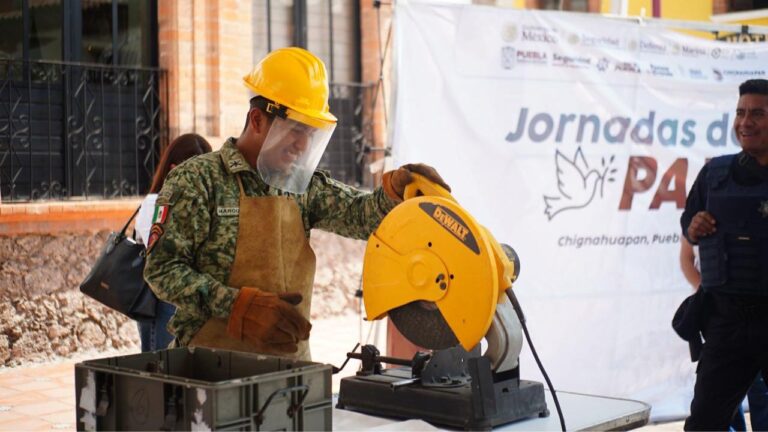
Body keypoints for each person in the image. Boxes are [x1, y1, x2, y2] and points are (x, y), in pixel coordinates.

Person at [143, 47, 449, 361]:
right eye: (295, 130)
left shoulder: (301, 186)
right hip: (209, 365)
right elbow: (162, 270)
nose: (303, 145)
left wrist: (396, 192)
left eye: (311, 134)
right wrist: (236, 306)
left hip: (290, 365)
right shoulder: (198, 180)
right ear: (257, 120)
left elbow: (361, 216)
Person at [682, 79, 768, 431]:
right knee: (704, 423)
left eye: (758, 114)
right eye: (740, 112)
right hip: (727, 321)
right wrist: (696, 227)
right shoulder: (715, 173)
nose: (745, 122)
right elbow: (689, 225)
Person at [679, 237, 768, 431]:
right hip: (719, 319)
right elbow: (686, 259)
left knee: (761, 395)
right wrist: (709, 291)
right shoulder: (701, 212)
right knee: (719, 404)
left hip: (758, 315)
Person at [134, 133, 212, 352]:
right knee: (160, 367)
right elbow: (164, 255)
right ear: (172, 169)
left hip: (193, 300)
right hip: (163, 301)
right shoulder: (154, 204)